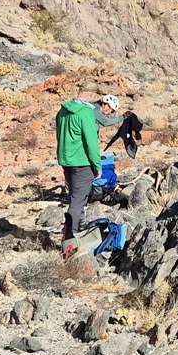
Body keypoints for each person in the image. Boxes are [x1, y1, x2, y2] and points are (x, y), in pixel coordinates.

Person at [55, 88, 117, 252]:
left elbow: (60, 135)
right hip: (82, 162)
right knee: (78, 200)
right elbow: (91, 143)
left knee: (74, 197)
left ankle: (75, 230)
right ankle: (70, 241)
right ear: (90, 95)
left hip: (66, 160)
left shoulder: (62, 111)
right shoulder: (86, 113)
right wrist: (97, 166)